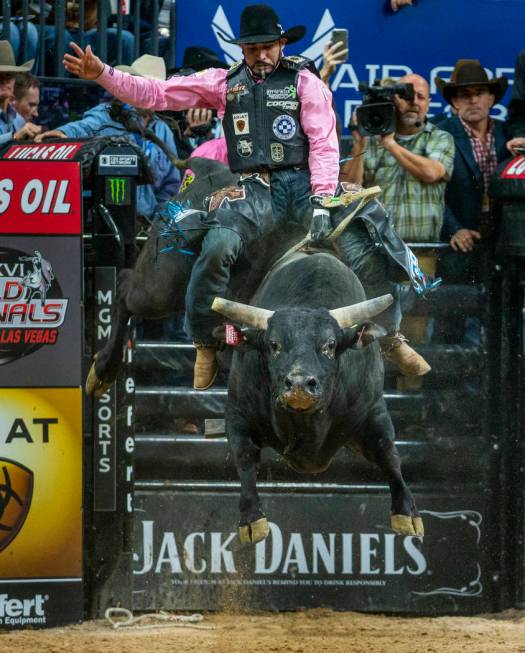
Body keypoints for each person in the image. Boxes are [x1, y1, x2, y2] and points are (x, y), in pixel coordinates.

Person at [63, 3, 431, 389]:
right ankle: (205, 339)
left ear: (281, 44)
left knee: (369, 243)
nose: (262, 55)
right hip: (257, 189)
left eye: (268, 46)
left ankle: (392, 337)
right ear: (242, 49)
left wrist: (322, 201)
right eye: (253, 48)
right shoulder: (224, 82)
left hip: (306, 186)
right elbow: (158, 93)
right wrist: (103, 75)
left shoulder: (305, 82)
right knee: (218, 246)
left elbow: (323, 144)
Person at [37, 55, 180, 218]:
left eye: (156, 89)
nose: (152, 94)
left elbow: (171, 183)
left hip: (147, 222)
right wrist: (64, 133)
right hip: (106, 222)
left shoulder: (162, 130)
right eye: (147, 87)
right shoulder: (108, 114)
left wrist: (157, 218)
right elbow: (86, 126)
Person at [341, 73, 454, 244]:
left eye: (421, 97)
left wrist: (389, 143)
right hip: (375, 248)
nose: (414, 102)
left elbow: (431, 173)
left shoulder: (439, 137)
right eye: (406, 96)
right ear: (393, 100)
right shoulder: (369, 142)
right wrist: (359, 143)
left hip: (422, 250)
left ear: (428, 103)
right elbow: (348, 190)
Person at [435, 60, 511, 259]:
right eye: (465, 95)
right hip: (457, 242)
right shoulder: (440, 134)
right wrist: (454, 229)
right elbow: (430, 192)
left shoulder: (509, 133)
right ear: (455, 102)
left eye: (479, 93)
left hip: (503, 240)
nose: (473, 100)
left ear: (491, 98)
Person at [0, 40, 41, 143]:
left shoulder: (19, 120)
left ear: (14, 79)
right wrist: (13, 137)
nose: (4, 80)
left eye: (9, 75)